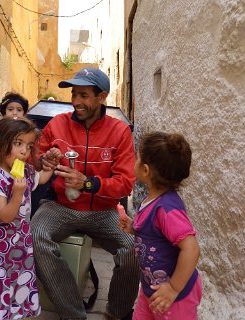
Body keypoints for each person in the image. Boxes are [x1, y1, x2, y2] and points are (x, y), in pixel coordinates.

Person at [30, 67, 140, 319]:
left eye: (83, 95)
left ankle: (117, 312)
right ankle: (73, 313)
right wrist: (43, 161)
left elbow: (125, 184)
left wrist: (88, 183)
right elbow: (33, 161)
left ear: (101, 97)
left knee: (133, 248)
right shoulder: (57, 124)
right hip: (60, 206)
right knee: (36, 235)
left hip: (104, 211)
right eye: (74, 94)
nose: (76, 101)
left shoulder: (120, 132)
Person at [0, 117, 62, 319]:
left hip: (19, 243)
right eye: (18, 144)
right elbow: (5, 215)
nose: (24, 151)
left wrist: (49, 166)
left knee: (16, 280)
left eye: (29, 145)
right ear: (0, 145)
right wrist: (17, 194)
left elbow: (40, 179)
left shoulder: (24, 170)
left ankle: (14, 312)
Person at [119, 132, 201, 320]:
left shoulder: (167, 209)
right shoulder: (151, 199)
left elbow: (192, 249)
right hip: (151, 289)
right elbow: (154, 233)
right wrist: (133, 227)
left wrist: (173, 288)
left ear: (145, 170)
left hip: (174, 298)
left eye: (137, 157)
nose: (135, 160)